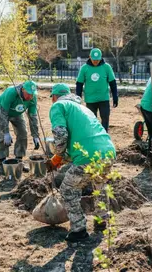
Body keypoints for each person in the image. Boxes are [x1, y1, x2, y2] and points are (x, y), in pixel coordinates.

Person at [47, 83, 116, 242]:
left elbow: (61, 134)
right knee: (100, 185)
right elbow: (80, 139)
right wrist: (61, 159)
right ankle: (101, 221)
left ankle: (78, 229)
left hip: (89, 155)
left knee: (68, 189)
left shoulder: (58, 105)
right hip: (107, 150)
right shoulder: (83, 109)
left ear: (55, 96)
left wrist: (57, 155)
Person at [0, 80, 40, 173]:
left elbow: (33, 117)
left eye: (32, 94)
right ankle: (2, 163)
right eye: (28, 94)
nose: (30, 97)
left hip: (17, 113)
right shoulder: (11, 92)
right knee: (2, 135)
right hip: (1, 110)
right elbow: (3, 113)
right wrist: (6, 132)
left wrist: (35, 135)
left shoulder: (32, 98)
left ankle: (19, 161)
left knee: (23, 133)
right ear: (23, 90)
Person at [76, 48, 118, 132]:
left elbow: (112, 83)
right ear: (90, 57)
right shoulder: (84, 68)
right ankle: (94, 136)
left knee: (105, 118)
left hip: (104, 98)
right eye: (94, 59)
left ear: (101, 57)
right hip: (90, 99)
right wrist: (78, 98)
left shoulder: (106, 67)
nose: (95, 61)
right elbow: (79, 84)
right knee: (92, 120)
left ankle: (104, 136)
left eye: (97, 60)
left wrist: (115, 97)